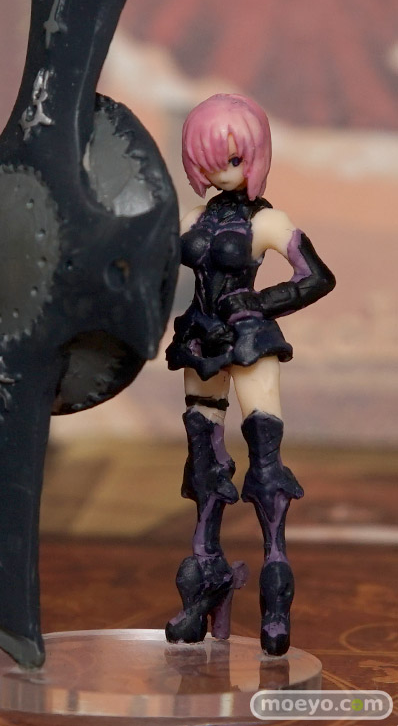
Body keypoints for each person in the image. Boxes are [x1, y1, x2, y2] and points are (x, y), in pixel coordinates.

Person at [165, 93, 335, 656]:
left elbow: (316, 276)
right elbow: (156, 268)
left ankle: (275, 599)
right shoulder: (190, 220)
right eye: (209, 160)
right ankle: (207, 583)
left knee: (265, 469)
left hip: (248, 342)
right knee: (204, 466)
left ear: (253, 156)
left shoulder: (267, 221)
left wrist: (258, 304)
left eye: (233, 159)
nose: (221, 170)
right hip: (199, 343)